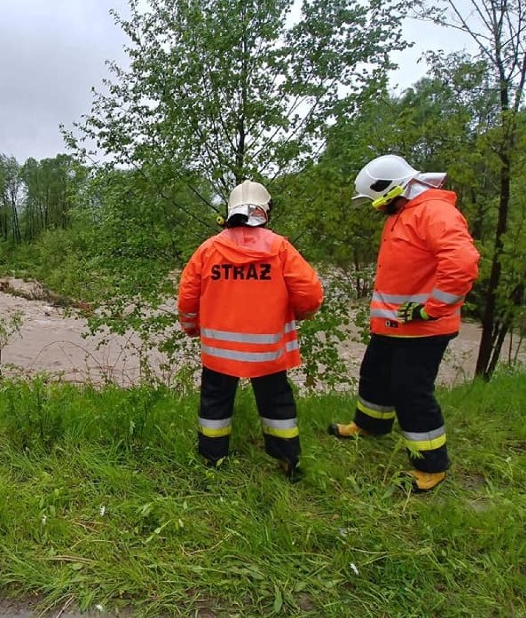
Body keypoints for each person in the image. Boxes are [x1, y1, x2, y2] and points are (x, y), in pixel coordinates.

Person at [328, 155, 480, 492]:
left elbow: (463, 262)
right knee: (375, 375)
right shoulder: (406, 212)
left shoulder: (435, 212)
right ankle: (371, 426)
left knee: (411, 392)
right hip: (392, 325)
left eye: (377, 201)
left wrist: (431, 308)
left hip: (423, 329)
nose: (376, 208)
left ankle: (430, 465)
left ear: (394, 189)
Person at [177, 181, 324, 481]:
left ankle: (211, 460)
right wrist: (300, 314)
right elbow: (310, 294)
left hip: (219, 353)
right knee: (276, 401)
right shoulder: (279, 247)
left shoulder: (209, 249)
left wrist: (192, 328)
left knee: (214, 404)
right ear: (264, 211)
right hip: (268, 350)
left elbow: (187, 298)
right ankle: (288, 461)